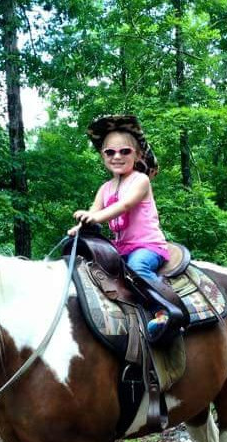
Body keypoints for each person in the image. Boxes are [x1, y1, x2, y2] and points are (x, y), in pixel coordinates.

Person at [69, 115, 181, 340]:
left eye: (125, 151)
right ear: (103, 156)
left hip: (147, 245)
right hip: (120, 248)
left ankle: (164, 311)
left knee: (138, 269)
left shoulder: (140, 180)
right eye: (110, 152)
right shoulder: (105, 188)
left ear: (137, 154)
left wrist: (96, 217)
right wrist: (80, 226)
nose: (117, 156)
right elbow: (94, 210)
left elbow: (125, 205)